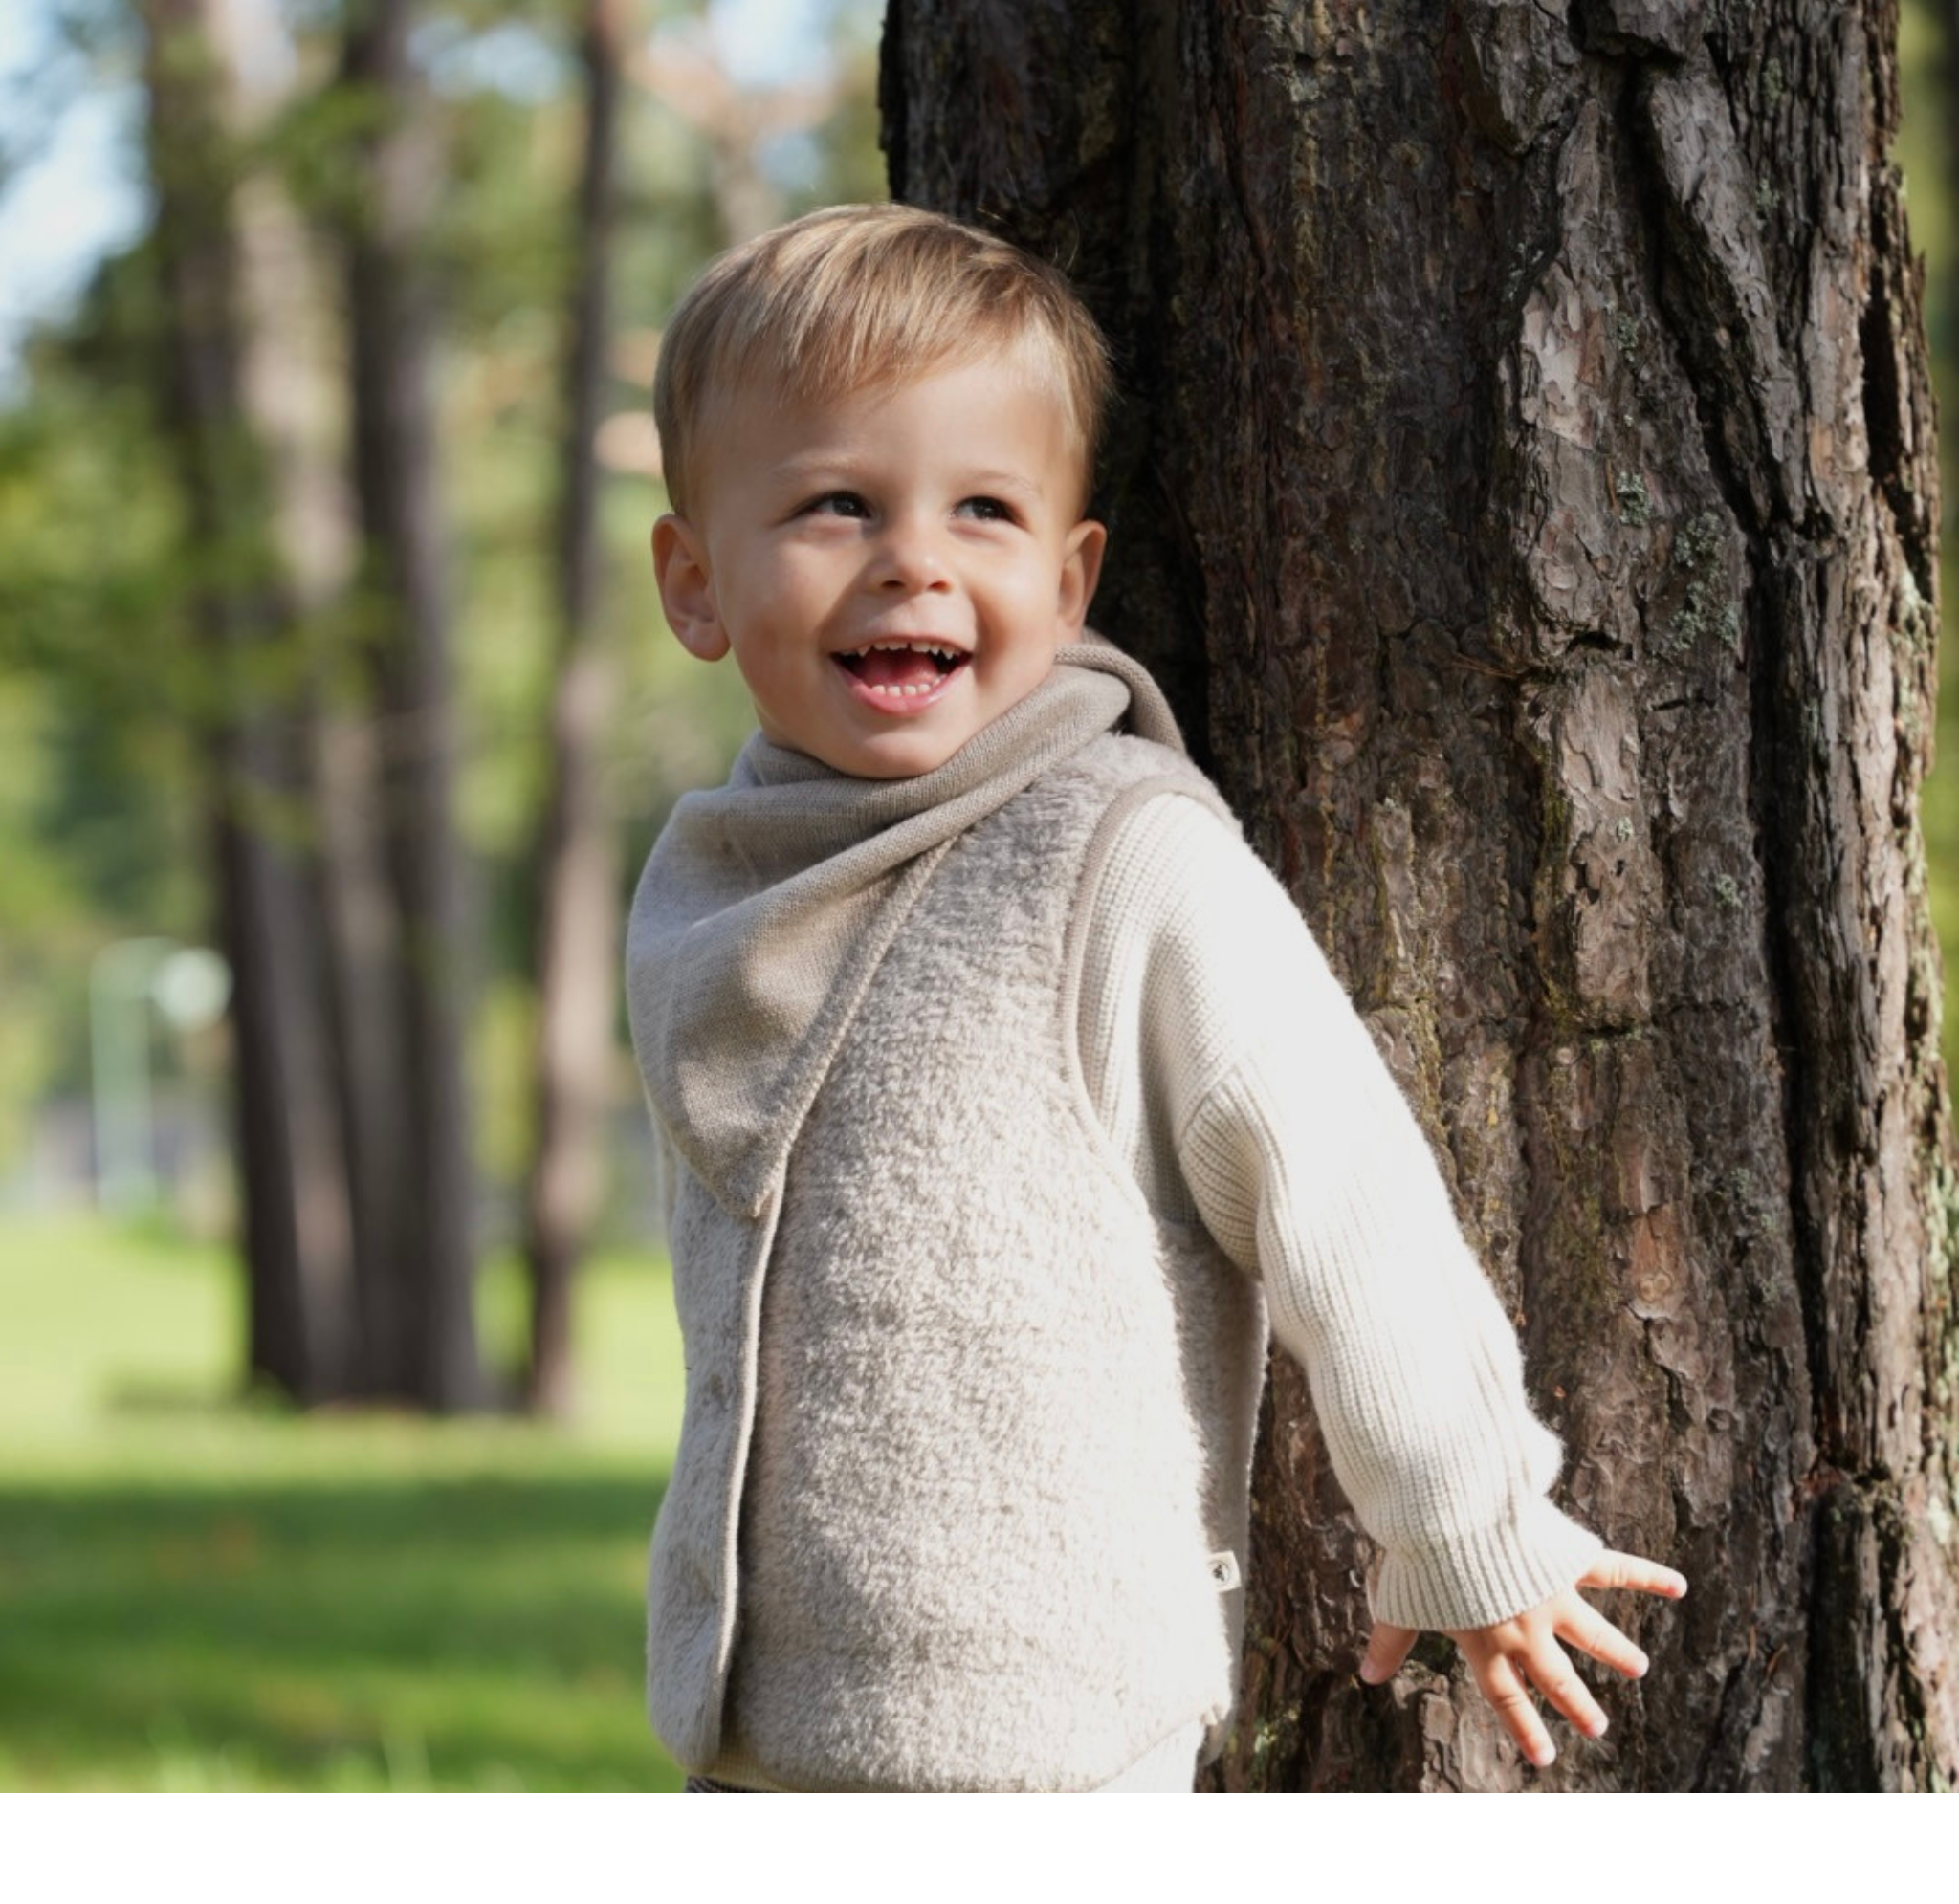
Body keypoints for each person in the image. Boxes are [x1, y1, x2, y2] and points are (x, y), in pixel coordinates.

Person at [626, 203, 1685, 1793]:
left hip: (1047, 1726)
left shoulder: (1116, 852)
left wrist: (1467, 1515)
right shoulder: (718, 875)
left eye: (982, 509)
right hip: (760, 1715)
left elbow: (1336, 1178)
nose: (915, 554)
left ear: (1068, 585)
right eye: (839, 504)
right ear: (697, 584)